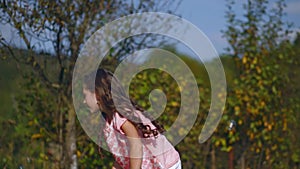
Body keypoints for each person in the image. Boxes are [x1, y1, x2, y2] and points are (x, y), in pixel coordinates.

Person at [82, 68, 181, 169]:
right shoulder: (108, 121)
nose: (84, 101)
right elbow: (123, 158)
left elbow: (136, 145)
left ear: (97, 93)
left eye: (85, 96)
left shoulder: (121, 115)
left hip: (165, 165)